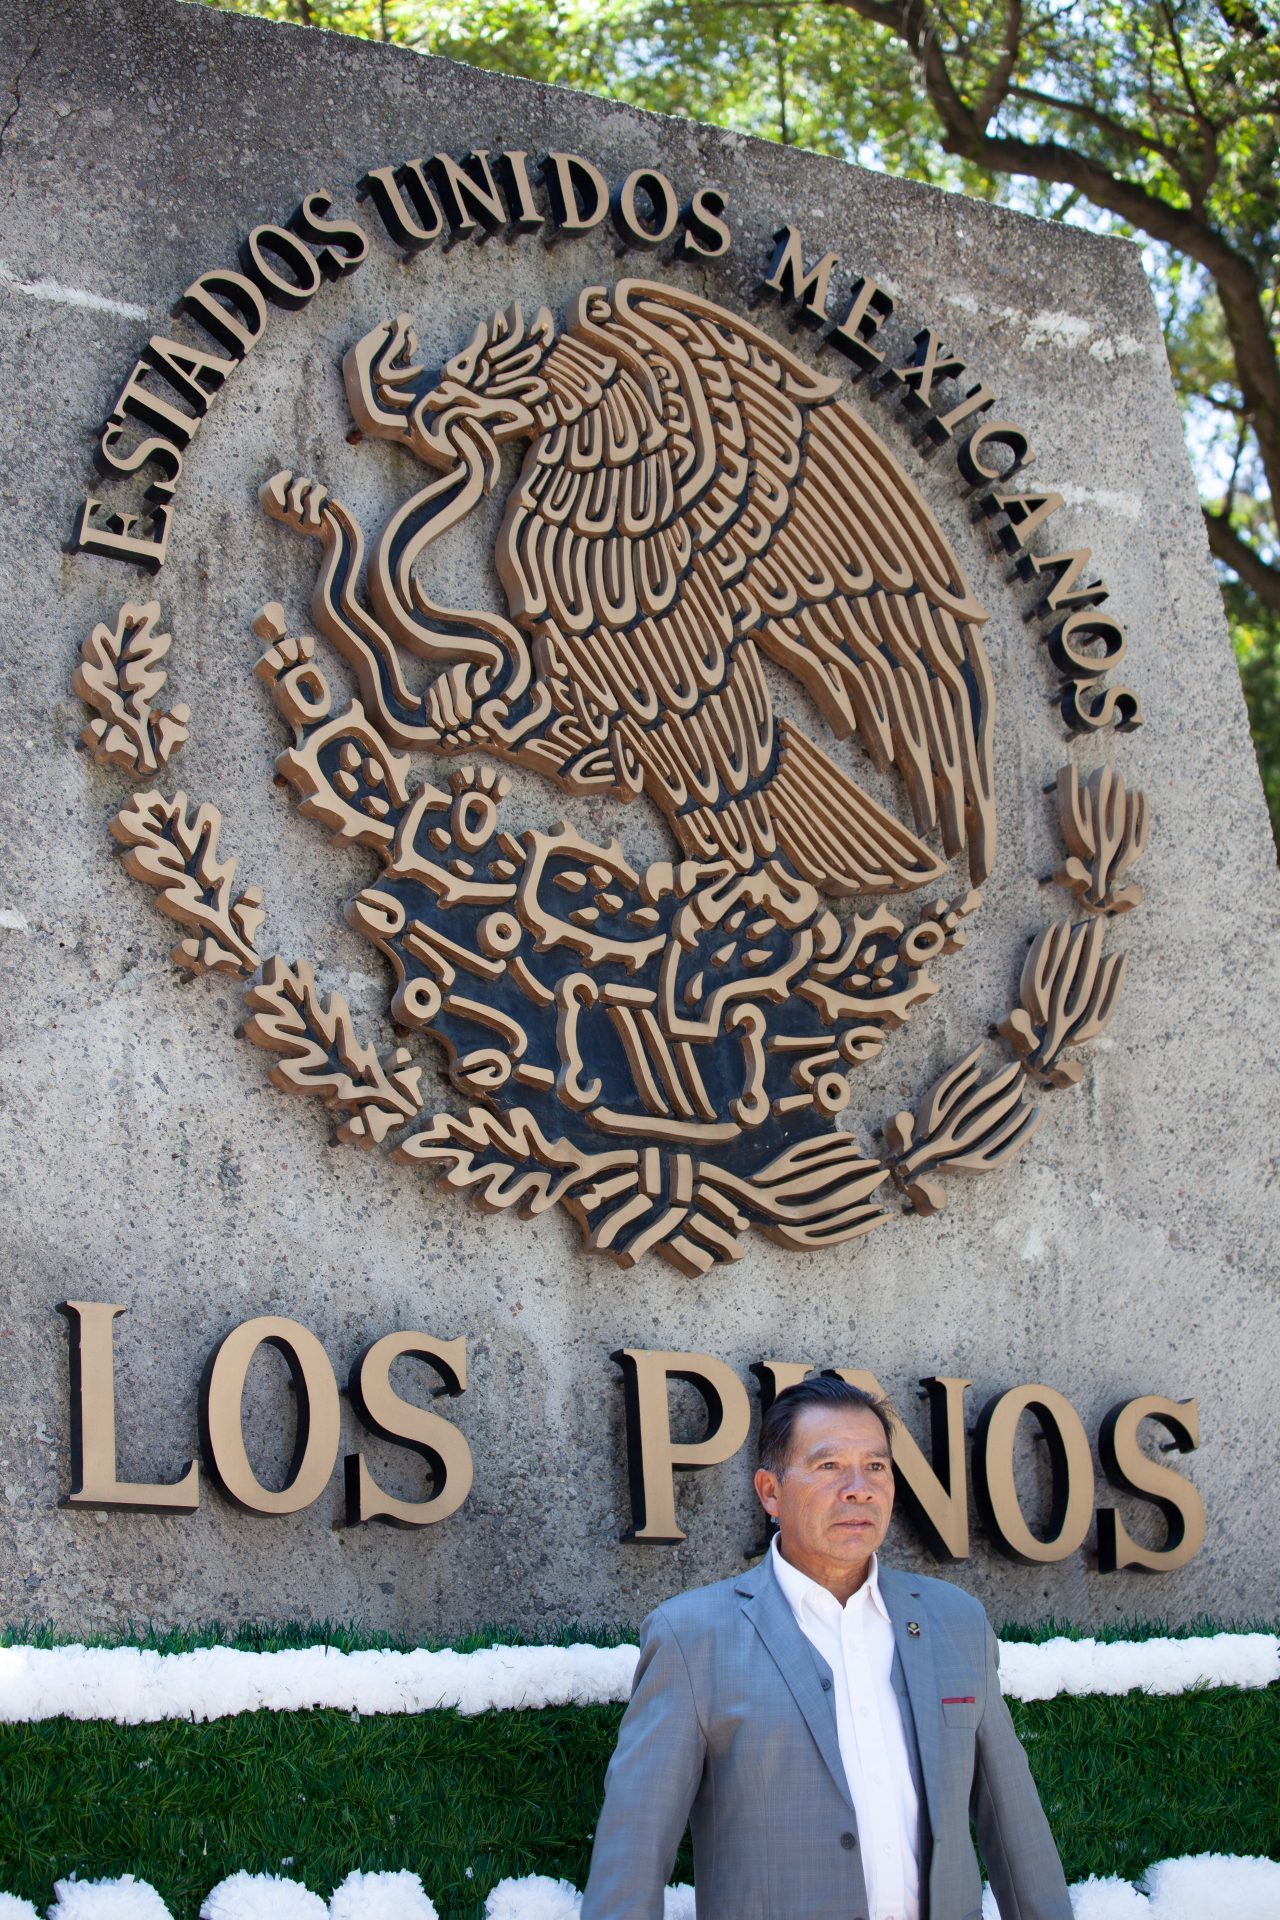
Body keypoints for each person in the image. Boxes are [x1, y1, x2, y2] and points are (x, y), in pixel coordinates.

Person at [581, 1375, 1072, 1920]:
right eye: (829, 1465)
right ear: (770, 1492)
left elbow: (1014, 1825)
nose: (859, 1487)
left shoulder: (955, 1621)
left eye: (876, 1466)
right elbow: (633, 1855)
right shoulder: (692, 1636)